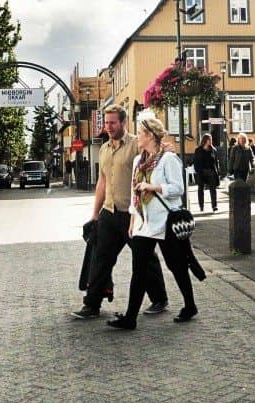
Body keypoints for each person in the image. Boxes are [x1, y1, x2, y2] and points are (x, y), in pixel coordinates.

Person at [72, 104, 168, 319]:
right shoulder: (105, 149)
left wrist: (164, 151)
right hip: (109, 211)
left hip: (132, 212)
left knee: (145, 257)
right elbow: (102, 182)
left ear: (123, 123)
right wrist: (95, 213)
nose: (108, 126)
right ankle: (92, 303)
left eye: (113, 122)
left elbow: (154, 159)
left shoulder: (135, 144)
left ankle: (159, 298)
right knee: (101, 258)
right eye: (106, 122)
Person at [107, 117, 199, 330]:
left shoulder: (168, 159)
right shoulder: (139, 160)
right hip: (145, 224)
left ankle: (190, 305)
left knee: (176, 266)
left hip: (166, 223)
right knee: (139, 271)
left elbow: (178, 189)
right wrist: (132, 219)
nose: (137, 137)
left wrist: (153, 187)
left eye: (140, 133)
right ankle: (130, 318)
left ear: (149, 135)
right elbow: (134, 192)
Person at [192, 133, 220, 212]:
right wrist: (198, 171)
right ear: (205, 140)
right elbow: (196, 162)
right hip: (201, 172)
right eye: (209, 139)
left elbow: (216, 162)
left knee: (213, 189)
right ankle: (201, 206)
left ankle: (214, 206)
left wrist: (217, 172)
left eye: (211, 139)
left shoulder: (213, 150)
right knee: (201, 189)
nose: (210, 141)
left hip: (211, 172)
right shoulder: (198, 150)